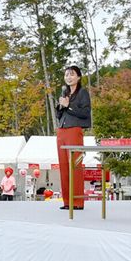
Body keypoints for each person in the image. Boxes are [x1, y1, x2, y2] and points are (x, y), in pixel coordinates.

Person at [54, 66, 91, 210]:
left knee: (75, 166)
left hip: (74, 130)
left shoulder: (82, 93)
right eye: (66, 75)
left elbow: (85, 113)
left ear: (78, 77)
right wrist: (61, 106)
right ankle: (67, 201)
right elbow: (59, 115)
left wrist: (69, 106)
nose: (69, 77)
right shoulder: (65, 93)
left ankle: (78, 202)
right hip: (61, 131)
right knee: (63, 166)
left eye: (72, 75)